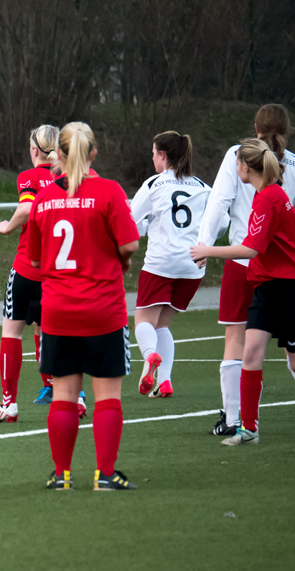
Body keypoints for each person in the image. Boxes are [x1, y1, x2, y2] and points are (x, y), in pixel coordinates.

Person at [191, 139, 295, 444]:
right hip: (266, 285)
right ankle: (249, 428)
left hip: (294, 285)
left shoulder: (269, 197)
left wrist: (207, 250)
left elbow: (251, 249)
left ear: (245, 166)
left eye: (236, 162)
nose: (233, 167)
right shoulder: (262, 195)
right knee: (250, 353)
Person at [27, 122, 140, 490]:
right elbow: (130, 245)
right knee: (106, 395)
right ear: (93, 153)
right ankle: (105, 474)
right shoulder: (108, 192)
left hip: (58, 309)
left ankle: (61, 476)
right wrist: (116, 259)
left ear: (56, 154)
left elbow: (36, 258)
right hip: (103, 308)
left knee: (63, 394)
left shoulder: (43, 200)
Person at [0, 125, 88, 422]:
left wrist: (7, 226)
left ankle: (9, 403)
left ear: (34, 150)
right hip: (60, 274)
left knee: (11, 332)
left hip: (28, 270)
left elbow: (28, 207)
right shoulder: (70, 179)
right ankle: (76, 397)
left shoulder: (29, 177)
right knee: (61, 334)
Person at [130, 132, 210, 398]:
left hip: (161, 263)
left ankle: (150, 356)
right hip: (192, 266)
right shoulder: (203, 187)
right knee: (162, 325)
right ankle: (164, 382)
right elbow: (218, 222)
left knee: (143, 320)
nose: (152, 158)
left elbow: (132, 220)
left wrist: (143, 226)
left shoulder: (155, 183)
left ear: (163, 156)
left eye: (154, 153)